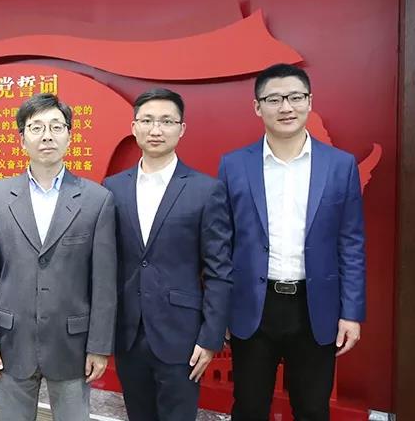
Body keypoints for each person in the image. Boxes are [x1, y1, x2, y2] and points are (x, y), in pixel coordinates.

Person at [218, 63, 366, 421]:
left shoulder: (340, 165)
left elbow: (351, 243)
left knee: (312, 409)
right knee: (249, 408)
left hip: (315, 306)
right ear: (257, 107)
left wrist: (351, 312)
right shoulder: (234, 165)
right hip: (253, 304)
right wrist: (219, 310)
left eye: (295, 97)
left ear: (309, 101)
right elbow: (221, 244)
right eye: (274, 99)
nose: (286, 107)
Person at [0, 93, 117, 421]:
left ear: (69, 136)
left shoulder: (97, 200)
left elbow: (104, 283)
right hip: (11, 341)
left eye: (56, 127)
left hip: (72, 344)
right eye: (36, 127)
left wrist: (99, 345)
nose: (47, 135)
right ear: (22, 139)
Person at [103, 88, 232, 420]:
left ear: (181, 128)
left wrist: (211, 337)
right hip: (128, 333)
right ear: (134, 127)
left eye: (166, 121)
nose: (156, 129)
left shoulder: (206, 190)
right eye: (147, 120)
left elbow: (219, 270)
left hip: (182, 335)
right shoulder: (113, 187)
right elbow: (105, 264)